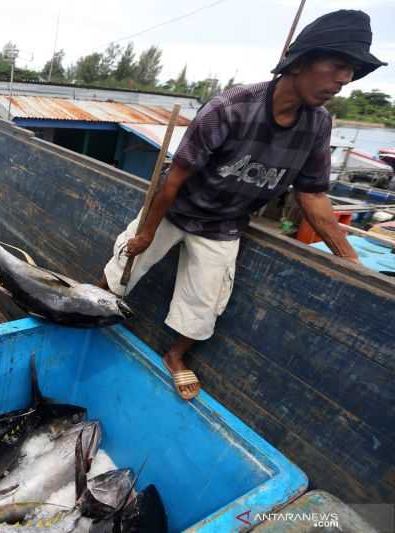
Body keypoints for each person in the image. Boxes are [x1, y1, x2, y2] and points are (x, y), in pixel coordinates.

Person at [99, 10, 385, 401]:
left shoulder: (318, 125)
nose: (344, 80)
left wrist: (349, 260)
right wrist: (147, 231)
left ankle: (175, 356)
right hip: (176, 209)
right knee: (120, 270)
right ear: (300, 62)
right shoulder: (231, 107)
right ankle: (85, 311)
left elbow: (313, 195)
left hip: (224, 225)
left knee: (205, 307)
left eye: (350, 71)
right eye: (337, 65)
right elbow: (174, 179)